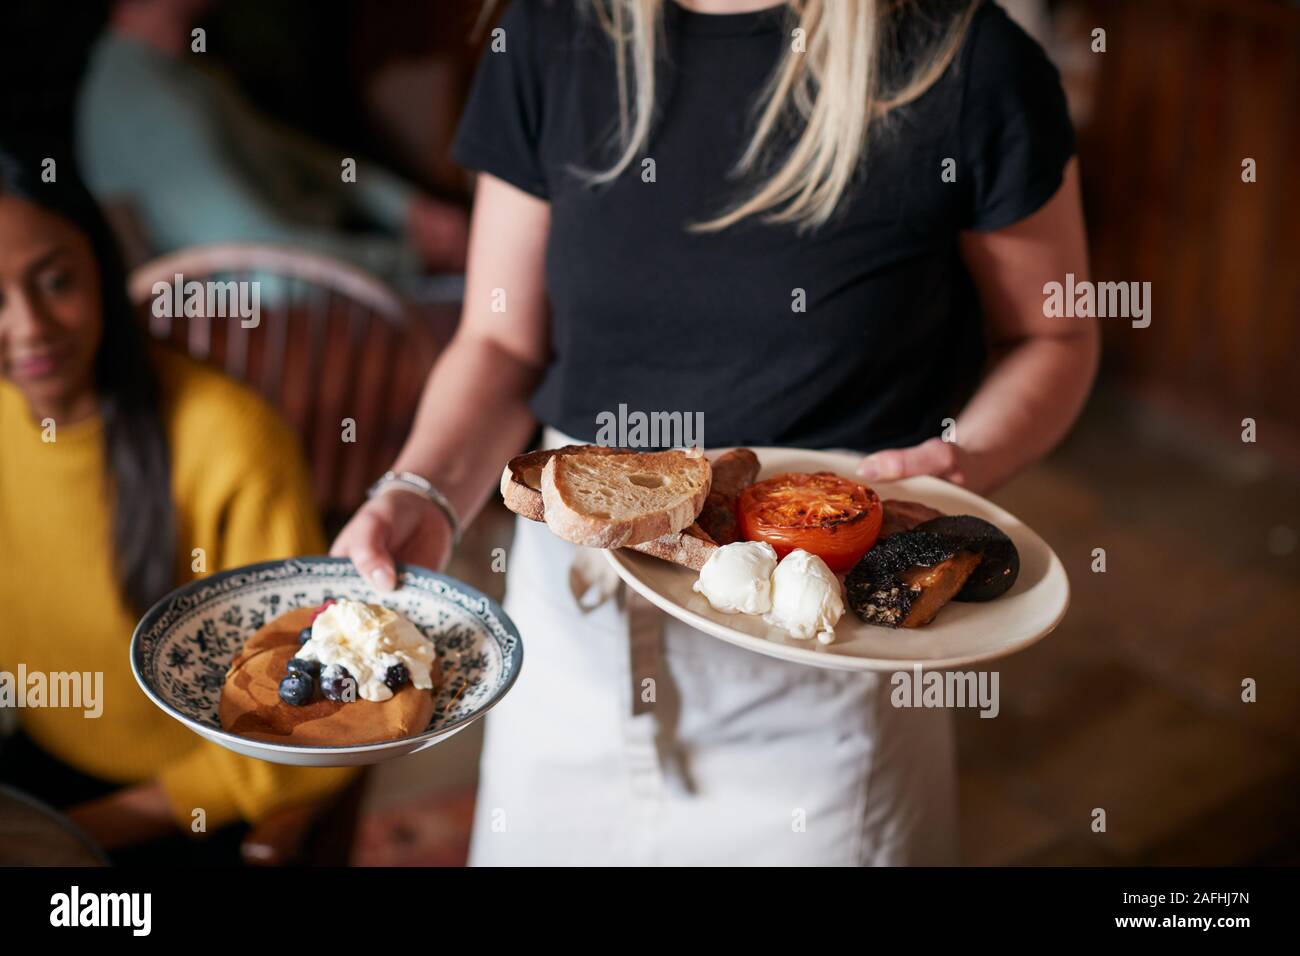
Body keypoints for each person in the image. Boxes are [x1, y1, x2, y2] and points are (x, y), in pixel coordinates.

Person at [333, 0, 1097, 865]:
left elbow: (1056, 333)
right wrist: (422, 492)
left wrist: (968, 461)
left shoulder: (961, 56)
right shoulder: (551, 30)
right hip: (567, 643)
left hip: (827, 667)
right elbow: (502, 340)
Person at [0, 144, 353, 864]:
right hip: (37, 764)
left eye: (57, 281)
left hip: (188, 806)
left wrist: (82, 834)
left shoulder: (232, 441)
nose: (29, 327)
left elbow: (311, 720)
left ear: (102, 267)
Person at [77, 0, 468, 280]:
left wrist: (406, 208)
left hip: (327, 275)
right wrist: (414, 260)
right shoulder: (138, 95)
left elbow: (299, 157)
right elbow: (260, 266)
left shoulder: (191, 74)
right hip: (272, 326)